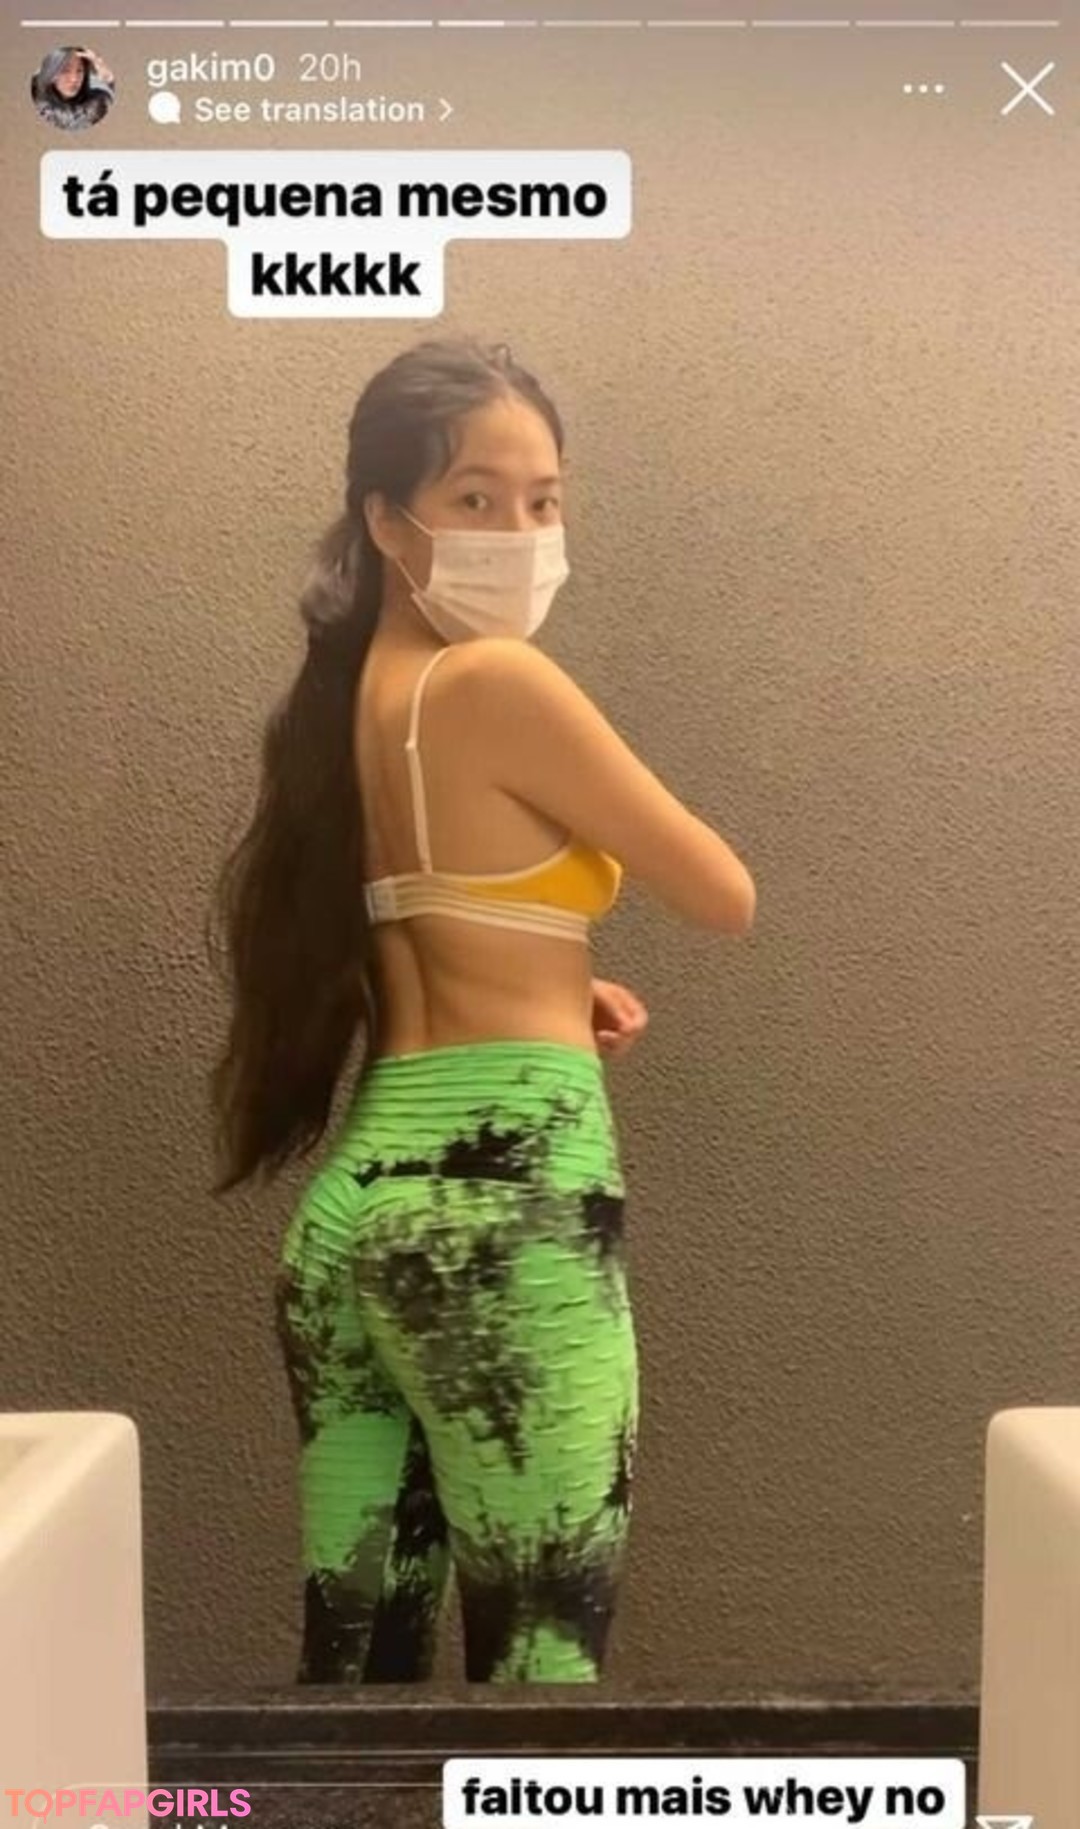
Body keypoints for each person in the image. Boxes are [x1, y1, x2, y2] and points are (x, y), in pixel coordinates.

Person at [207, 335, 756, 1685]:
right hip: (505, 1215)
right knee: (541, 1679)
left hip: (354, 1219)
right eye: (475, 498)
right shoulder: (498, 681)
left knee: (354, 1682)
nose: (517, 532)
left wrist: (563, 982)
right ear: (388, 521)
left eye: (543, 501)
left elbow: (432, 913)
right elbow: (722, 889)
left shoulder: (354, 707)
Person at [30, 46, 115, 130]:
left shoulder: (98, 104)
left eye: (79, 71)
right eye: (65, 71)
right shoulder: (36, 106)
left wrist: (108, 77)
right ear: (51, 72)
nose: (74, 79)